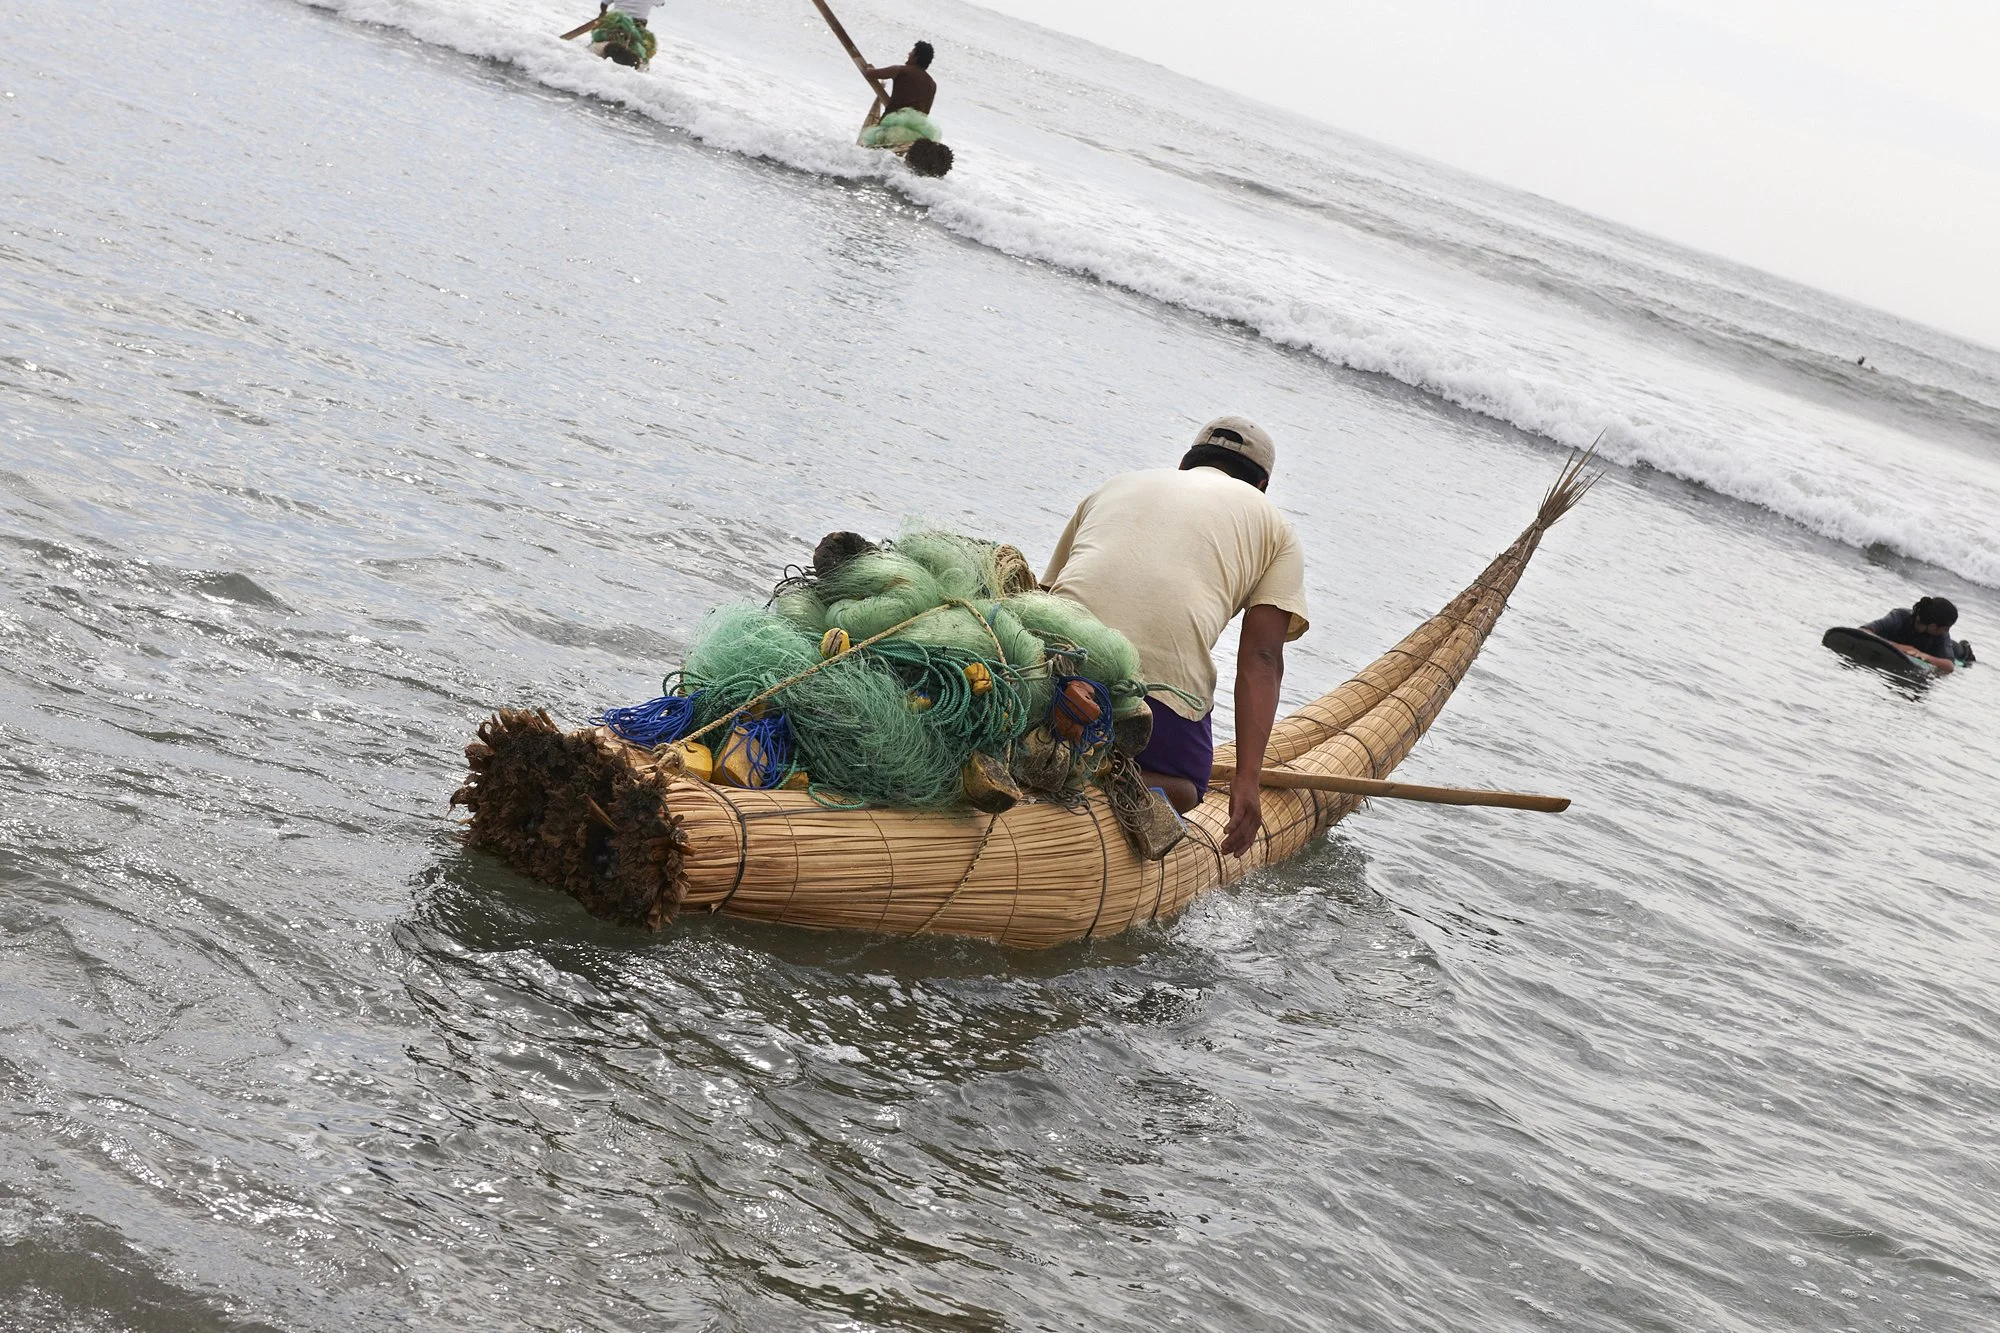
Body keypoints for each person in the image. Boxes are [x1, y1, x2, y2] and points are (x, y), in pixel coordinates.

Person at [1042, 416, 1310, 857]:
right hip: (1148, 700)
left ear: (1186, 462)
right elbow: (1261, 659)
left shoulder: (1115, 486)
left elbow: (1044, 596)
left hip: (1049, 672)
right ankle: (1107, 772)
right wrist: (1246, 782)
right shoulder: (1276, 527)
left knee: (1054, 704)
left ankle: (1045, 747)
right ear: (1261, 483)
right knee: (1190, 784)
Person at [1861, 596, 1973, 673]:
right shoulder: (1899, 616)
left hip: (1953, 650)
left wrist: (1922, 655)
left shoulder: (1942, 635)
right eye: (1946, 628)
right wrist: (1903, 648)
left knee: (1960, 651)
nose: (1947, 631)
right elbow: (1864, 631)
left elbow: (1949, 666)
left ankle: (1965, 647)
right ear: (1933, 626)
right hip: (1906, 643)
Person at [866, 42, 937, 117]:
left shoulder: (900, 70)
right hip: (917, 126)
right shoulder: (932, 84)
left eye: (912, 52)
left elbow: (871, 73)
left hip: (893, 121)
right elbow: (926, 112)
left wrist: (869, 69)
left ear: (916, 57)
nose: (909, 54)